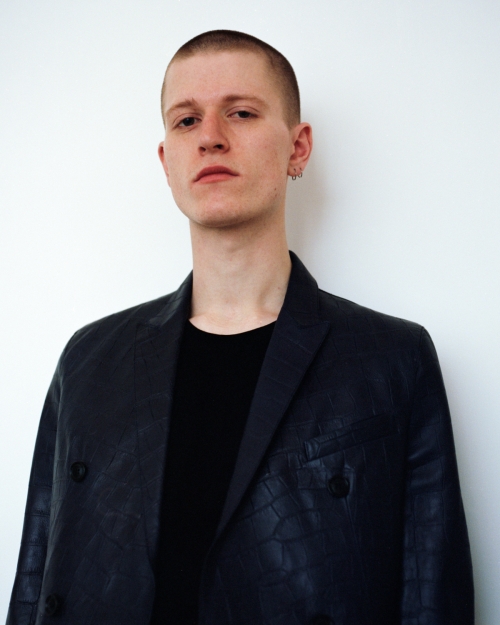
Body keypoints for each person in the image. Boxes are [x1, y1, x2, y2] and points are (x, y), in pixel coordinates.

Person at [7, 30, 473, 625]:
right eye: (186, 121)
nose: (210, 137)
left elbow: (433, 593)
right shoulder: (89, 360)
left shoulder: (392, 359)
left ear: (298, 148)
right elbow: (35, 577)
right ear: (166, 162)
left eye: (241, 113)